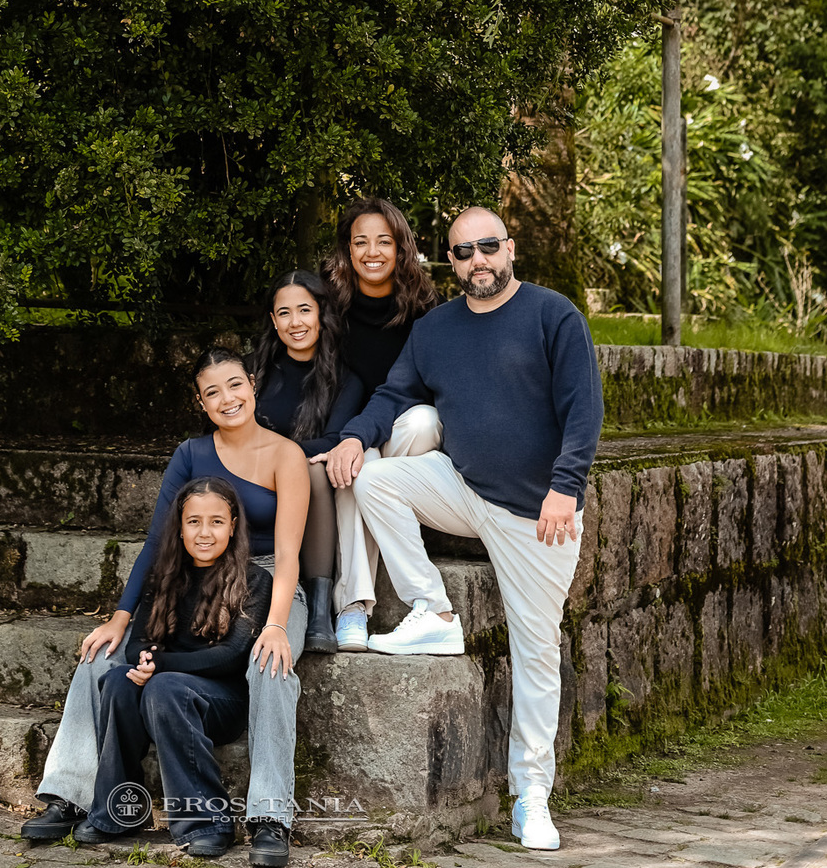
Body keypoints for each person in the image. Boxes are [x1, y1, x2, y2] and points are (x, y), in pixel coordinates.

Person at [325, 206, 604, 854]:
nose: (477, 259)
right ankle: (432, 607)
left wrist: (566, 488)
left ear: (510, 249)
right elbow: (395, 397)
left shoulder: (552, 314)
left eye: (487, 246)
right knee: (373, 478)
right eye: (462, 251)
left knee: (536, 654)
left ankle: (530, 796)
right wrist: (353, 437)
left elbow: (583, 409)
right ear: (448, 263)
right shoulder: (437, 329)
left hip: (538, 513)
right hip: (465, 487)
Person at [22, 347, 309, 868]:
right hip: (195, 572)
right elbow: (159, 545)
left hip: (267, 581)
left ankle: (269, 817)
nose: (227, 399)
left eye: (235, 385)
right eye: (212, 391)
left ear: (253, 385)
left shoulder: (285, 454)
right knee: (100, 660)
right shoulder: (191, 454)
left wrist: (275, 624)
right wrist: (120, 616)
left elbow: (289, 552)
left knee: (270, 665)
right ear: (200, 402)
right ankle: (73, 794)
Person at [73, 477, 273, 860]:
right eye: (194, 521)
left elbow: (230, 656)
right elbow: (137, 643)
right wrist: (146, 662)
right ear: (180, 528)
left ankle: (209, 821)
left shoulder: (254, 580)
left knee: (164, 688)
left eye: (216, 521)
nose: (204, 532)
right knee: (117, 680)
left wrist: (160, 666)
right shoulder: (162, 576)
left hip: (221, 701)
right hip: (162, 690)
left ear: (233, 526)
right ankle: (120, 810)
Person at [318, 199, 441, 651]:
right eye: (361, 241)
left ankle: (382, 504)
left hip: (404, 429)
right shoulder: (330, 307)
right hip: (354, 434)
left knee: (426, 422)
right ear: (348, 250)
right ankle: (352, 607)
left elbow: (420, 390)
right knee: (357, 463)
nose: (372, 251)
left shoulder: (427, 309)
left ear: (401, 248)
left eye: (384, 241)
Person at [249, 270, 366, 652]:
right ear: (272, 320)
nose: (295, 322)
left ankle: (319, 610)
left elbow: (334, 441)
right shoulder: (252, 372)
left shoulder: (346, 379)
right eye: (284, 313)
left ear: (321, 314)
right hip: (250, 480)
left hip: (310, 491)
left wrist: (278, 458)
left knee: (314, 467)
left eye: (304, 310)